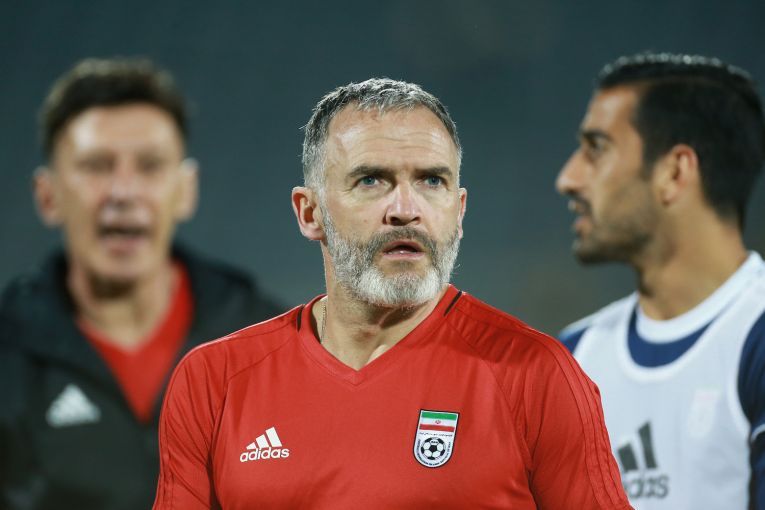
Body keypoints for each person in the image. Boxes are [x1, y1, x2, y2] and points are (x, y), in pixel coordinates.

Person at [153, 77, 631, 509]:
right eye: (371, 180)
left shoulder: (537, 376)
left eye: (432, 181)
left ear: (459, 211)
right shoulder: (215, 380)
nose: (405, 209)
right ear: (309, 212)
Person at [0, 57, 283, 510]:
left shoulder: (272, 343)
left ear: (186, 189)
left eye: (150, 166)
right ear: (48, 196)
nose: (123, 192)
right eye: (96, 166)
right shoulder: (8, 357)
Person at [556, 52, 765, 509]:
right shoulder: (574, 357)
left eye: (596, 148)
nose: (568, 179)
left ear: (674, 172)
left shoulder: (754, 339)